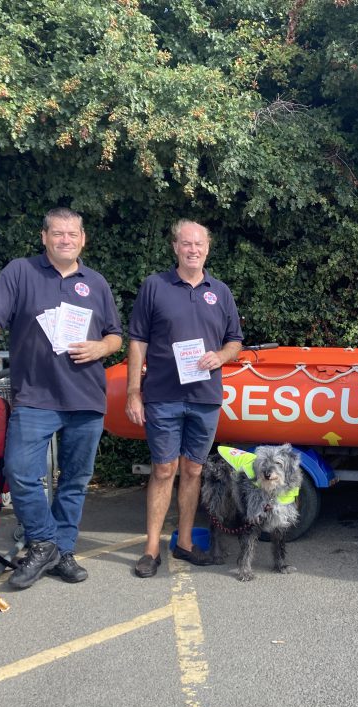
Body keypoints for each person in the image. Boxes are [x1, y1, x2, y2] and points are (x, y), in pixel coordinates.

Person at [0, 208, 123, 589]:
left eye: (73, 234)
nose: (66, 240)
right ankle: (47, 542)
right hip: (36, 397)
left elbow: (116, 336)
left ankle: (61, 549)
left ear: (83, 239)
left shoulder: (95, 282)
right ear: (44, 237)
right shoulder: (20, 272)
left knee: (76, 480)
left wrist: (101, 347)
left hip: (86, 399)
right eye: (58, 233)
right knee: (21, 472)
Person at [126, 221, 243, 578]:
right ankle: (150, 550)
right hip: (163, 395)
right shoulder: (154, 286)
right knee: (164, 470)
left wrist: (220, 357)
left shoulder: (219, 291)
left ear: (207, 249)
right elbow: (137, 341)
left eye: (200, 244)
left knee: (193, 470)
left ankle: (185, 543)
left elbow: (235, 341)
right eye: (187, 244)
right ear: (175, 246)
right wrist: (133, 390)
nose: (193, 249)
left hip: (205, 397)